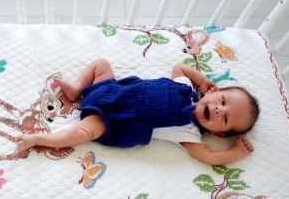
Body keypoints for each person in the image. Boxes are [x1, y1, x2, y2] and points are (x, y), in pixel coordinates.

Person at [15, 59, 258, 165]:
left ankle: (38, 139)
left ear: (221, 134)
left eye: (225, 118)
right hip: (109, 90)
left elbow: (210, 157)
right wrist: (202, 80)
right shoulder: (186, 88)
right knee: (102, 64)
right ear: (213, 92)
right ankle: (78, 89)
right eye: (222, 100)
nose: (218, 109)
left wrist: (236, 152)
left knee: (83, 133)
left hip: (113, 120)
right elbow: (180, 66)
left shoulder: (190, 134)